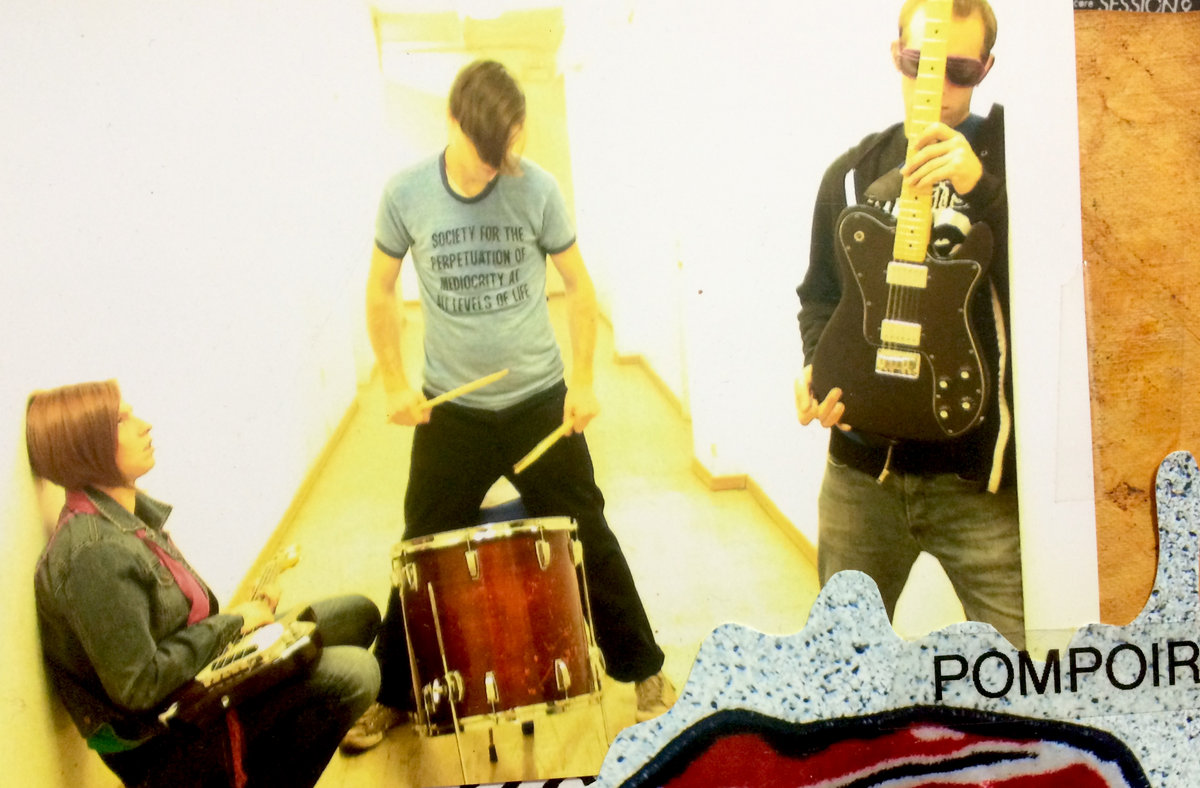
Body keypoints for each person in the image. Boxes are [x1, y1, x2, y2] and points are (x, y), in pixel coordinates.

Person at [342, 59, 674, 752]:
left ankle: (644, 670)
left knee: (588, 531)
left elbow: (578, 287)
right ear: (451, 120)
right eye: (481, 154)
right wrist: (395, 381)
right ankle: (394, 694)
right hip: (452, 412)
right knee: (419, 548)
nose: (493, 169)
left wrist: (583, 381)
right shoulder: (405, 193)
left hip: (537, 400)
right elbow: (379, 290)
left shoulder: (536, 187)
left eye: (504, 154)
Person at [795, 0, 1024, 648]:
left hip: (975, 481)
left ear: (986, 68)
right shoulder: (850, 177)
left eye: (960, 70)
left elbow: (1049, 290)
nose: (939, 86)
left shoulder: (1017, 163)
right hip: (860, 476)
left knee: (1025, 667)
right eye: (920, 63)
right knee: (843, 662)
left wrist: (984, 190)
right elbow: (820, 297)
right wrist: (816, 367)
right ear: (895, 55)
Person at [28, 380, 381, 787]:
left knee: (358, 614)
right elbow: (139, 686)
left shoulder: (122, 513)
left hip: (191, 681)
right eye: (122, 421)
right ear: (85, 447)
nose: (144, 425)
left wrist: (241, 622)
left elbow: (178, 623)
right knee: (357, 674)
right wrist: (235, 624)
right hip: (165, 738)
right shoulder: (93, 553)